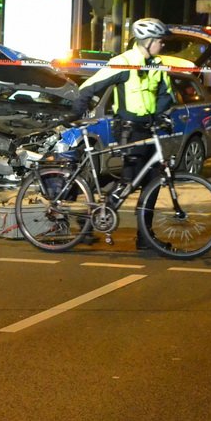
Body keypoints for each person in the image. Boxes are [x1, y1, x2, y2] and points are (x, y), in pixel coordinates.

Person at [72, 17, 174, 250]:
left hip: (149, 129)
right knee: (130, 180)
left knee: (153, 183)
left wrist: (161, 115)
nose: (162, 44)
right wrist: (78, 108)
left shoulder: (157, 65)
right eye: (159, 40)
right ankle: (91, 218)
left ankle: (145, 238)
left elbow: (166, 95)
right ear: (147, 41)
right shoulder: (124, 62)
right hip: (129, 129)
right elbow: (90, 86)